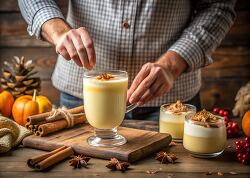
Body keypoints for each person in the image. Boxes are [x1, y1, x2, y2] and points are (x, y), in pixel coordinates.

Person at [18, 0, 236, 120]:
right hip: (80, 97)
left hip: (170, 103)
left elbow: (219, 5)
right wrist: (57, 30)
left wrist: (172, 64)